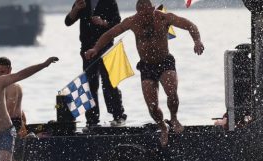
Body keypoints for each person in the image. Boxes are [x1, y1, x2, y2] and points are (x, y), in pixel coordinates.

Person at [85, 0, 204, 146]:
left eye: (148, 14)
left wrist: (197, 41)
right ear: (137, 12)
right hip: (146, 67)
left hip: (165, 62)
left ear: (153, 9)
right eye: (142, 14)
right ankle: (162, 127)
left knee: (171, 92)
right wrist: (95, 49)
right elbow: (110, 34)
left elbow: (189, 25)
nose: (145, 18)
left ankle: (174, 118)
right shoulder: (132, 22)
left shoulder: (164, 17)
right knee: (152, 106)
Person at [66, 0, 127, 128]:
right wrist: (76, 9)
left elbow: (118, 24)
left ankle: (118, 115)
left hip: (107, 47)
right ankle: (92, 120)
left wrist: (104, 23)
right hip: (87, 47)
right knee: (90, 84)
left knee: (109, 83)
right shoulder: (82, 1)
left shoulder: (110, 2)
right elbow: (68, 21)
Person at [0, 57, 26, 135]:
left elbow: (9, 111)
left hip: (12, 122)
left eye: (2, 72)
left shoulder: (13, 87)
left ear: (10, 70)